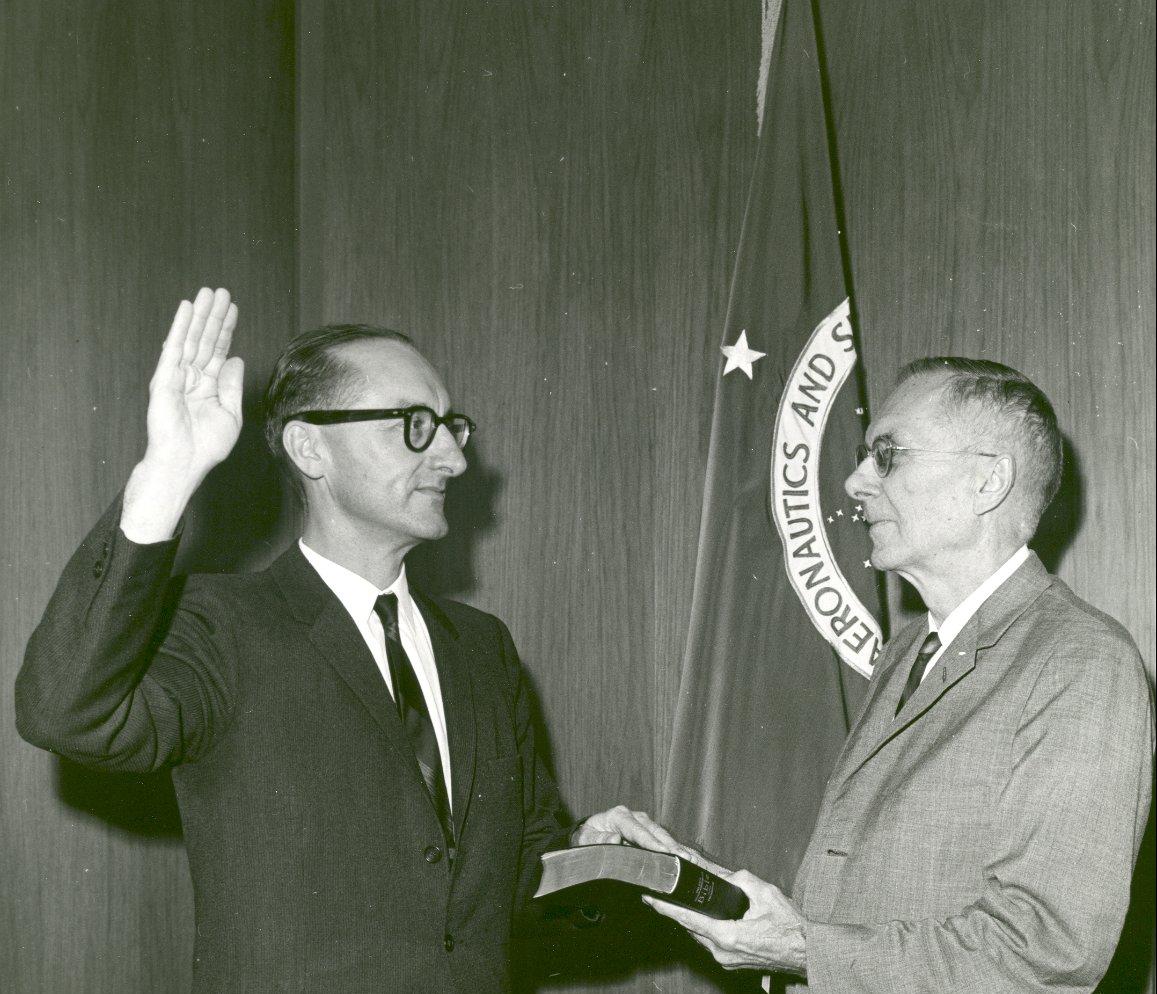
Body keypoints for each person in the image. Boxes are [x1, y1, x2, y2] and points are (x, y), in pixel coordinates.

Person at [15, 288, 673, 993]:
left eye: (452, 425)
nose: (452, 457)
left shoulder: (482, 647)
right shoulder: (223, 625)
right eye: (414, 426)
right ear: (309, 446)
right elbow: (66, 714)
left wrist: (589, 853)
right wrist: (168, 475)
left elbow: (507, 879)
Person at [644, 357, 1154, 993]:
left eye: (888, 454)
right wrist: (703, 884)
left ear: (988, 482)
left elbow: (1046, 951)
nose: (856, 481)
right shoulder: (906, 649)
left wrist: (805, 952)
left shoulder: (1080, 660)